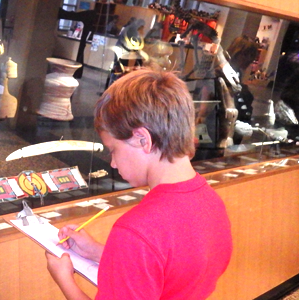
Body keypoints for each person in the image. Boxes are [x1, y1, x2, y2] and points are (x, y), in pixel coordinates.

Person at [46, 69, 232, 299]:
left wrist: (65, 280)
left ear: (142, 139)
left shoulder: (136, 231)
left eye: (113, 150)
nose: (113, 163)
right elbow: (166, 271)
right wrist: (97, 252)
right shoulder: (212, 203)